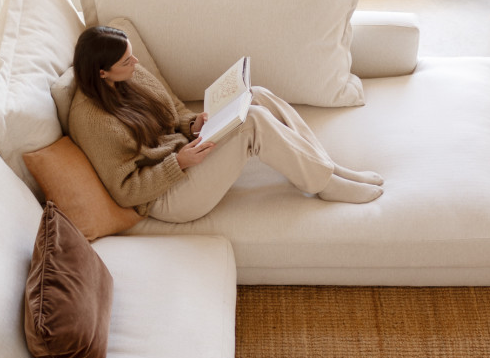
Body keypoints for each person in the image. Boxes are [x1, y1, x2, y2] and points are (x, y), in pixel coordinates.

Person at [68, 26, 383, 223]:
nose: (136, 64)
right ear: (101, 73)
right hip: (165, 196)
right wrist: (178, 162)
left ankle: (327, 167)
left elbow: (172, 109)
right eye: (126, 62)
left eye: (132, 56)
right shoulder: (93, 120)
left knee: (255, 96)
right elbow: (126, 191)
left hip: (185, 154)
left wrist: (192, 123)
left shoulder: (128, 73)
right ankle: (324, 184)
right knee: (253, 122)